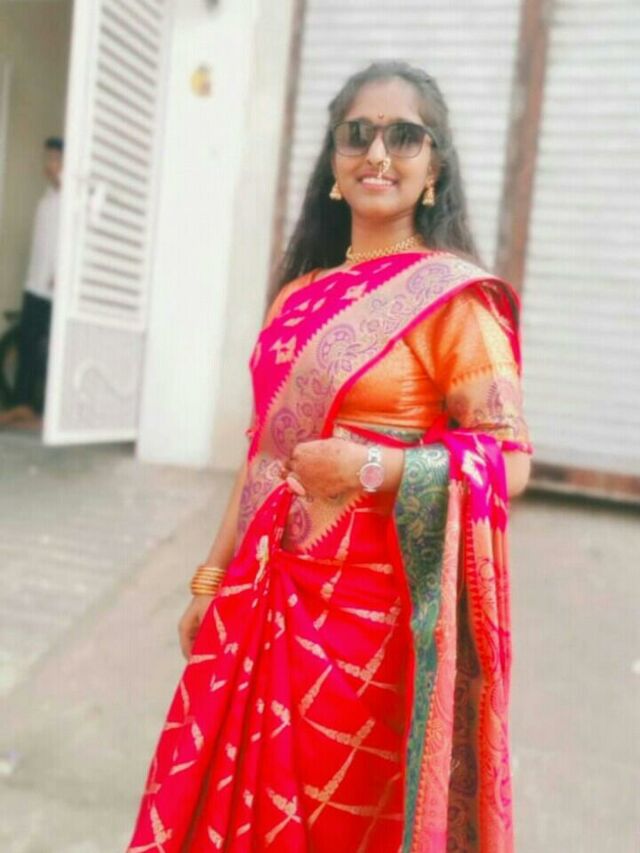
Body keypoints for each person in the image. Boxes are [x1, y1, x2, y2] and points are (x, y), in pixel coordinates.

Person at [127, 61, 533, 852]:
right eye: (358, 134)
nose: (377, 153)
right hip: (261, 593)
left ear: (433, 168)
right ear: (334, 164)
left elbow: (507, 461)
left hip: (372, 628)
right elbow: (263, 452)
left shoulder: (454, 302)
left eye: (404, 136)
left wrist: (371, 468)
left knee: (339, 824)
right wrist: (210, 579)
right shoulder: (297, 294)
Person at [0, 136, 63, 428]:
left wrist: (62, 271)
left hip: (56, 290)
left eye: (55, 158)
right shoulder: (46, 201)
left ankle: (52, 411)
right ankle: (22, 405)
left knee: (53, 348)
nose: (48, 164)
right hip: (34, 284)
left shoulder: (72, 202)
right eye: (47, 158)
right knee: (27, 342)